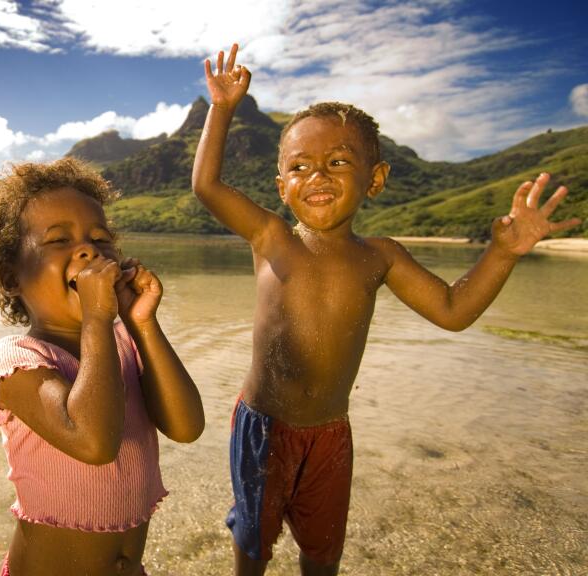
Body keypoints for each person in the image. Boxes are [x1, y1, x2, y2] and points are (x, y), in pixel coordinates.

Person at [192, 44, 582, 576]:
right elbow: (207, 186)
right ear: (282, 187)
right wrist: (222, 108)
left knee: (323, 548)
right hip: (266, 425)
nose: (318, 176)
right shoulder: (271, 237)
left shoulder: (380, 256)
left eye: (338, 162)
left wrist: (503, 252)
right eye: (300, 167)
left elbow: (452, 309)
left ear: (374, 179)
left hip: (330, 432)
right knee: (254, 540)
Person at [0, 158, 205, 576]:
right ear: (12, 277)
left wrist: (142, 323)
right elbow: (94, 442)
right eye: (58, 240)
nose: (88, 249)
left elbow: (187, 427)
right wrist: (97, 318)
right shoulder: (18, 358)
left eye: (100, 238)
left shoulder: (125, 342)